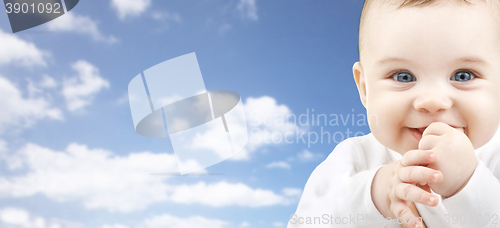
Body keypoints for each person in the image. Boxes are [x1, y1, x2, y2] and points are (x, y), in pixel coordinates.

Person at [288, 0, 500, 227]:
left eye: (463, 75)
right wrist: (373, 196)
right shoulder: (355, 159)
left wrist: (469, 184)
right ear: (365, 89)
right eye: (403, 76)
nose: (431, 102)